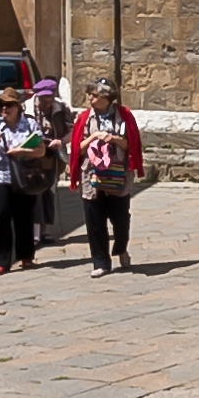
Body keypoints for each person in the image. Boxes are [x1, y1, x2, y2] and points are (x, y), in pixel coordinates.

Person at [67, 77, 143, 276]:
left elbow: (132, 145)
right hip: (91, 175)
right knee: (94, 220)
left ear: (107, 97)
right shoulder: (84, 118)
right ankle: (100, 262)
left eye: (95, 94)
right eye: (90, 94)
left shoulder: (124, 116)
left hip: (118, 174)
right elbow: (77, 148)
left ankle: (121, 249)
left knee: (120, 219)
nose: (90, 98)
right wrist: (94, 136)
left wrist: (114, 139)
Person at [0, 86, 46, 274]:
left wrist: (22, 151)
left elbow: (41, 150)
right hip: (0, 178)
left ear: (18, 107)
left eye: (9, 105)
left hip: (24, 177)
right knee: (2, 217)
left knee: (24, 217)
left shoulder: (30, 125)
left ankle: (26, 256)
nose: (4, 109)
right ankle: (1, 261)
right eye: (1, 105)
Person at [30, 78, 74, 244]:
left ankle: (44, 231)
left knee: (49, 192)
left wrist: (61, 142)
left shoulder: (61, 109)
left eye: (49, 100)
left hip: (53, 157)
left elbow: (73, 130)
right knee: (34, 192)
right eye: (43, 100)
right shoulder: (26, 108)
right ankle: (33, 233)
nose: (46, 104)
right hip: (32, 156)